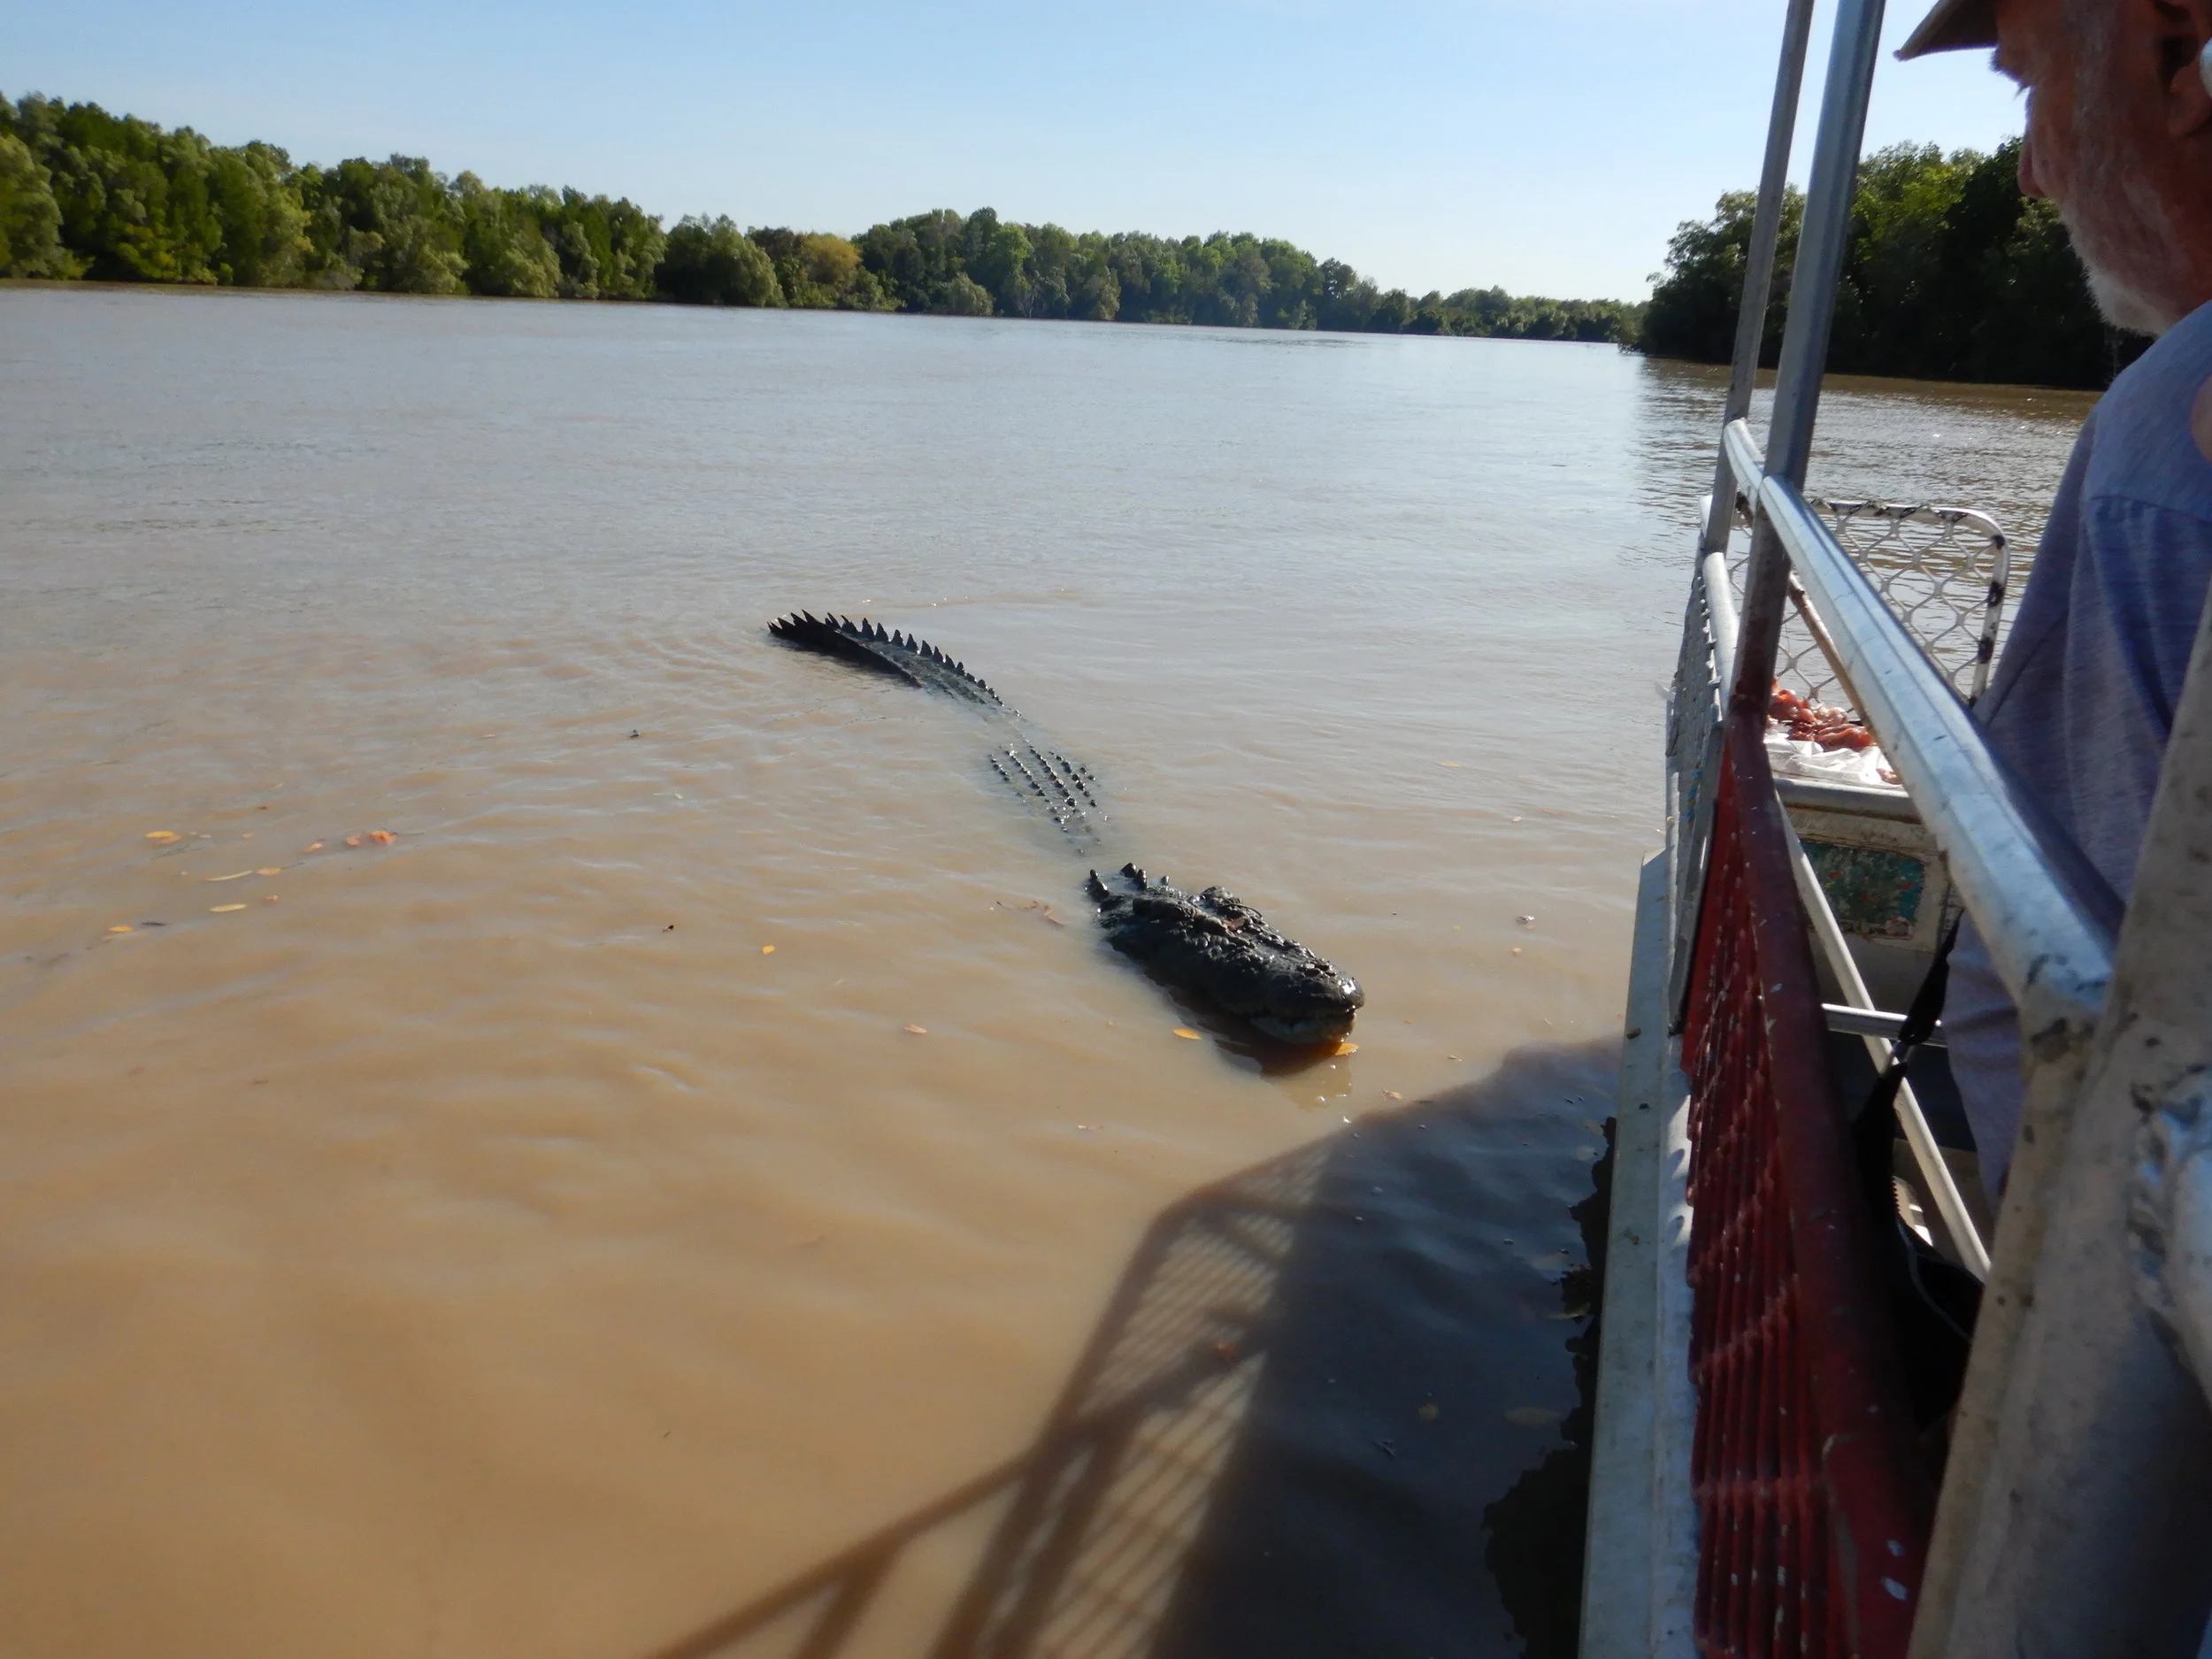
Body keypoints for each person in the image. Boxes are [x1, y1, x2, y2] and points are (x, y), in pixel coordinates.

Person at [1898, 0, 2212, 1199]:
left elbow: (2136, 1002)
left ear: (2181, 53)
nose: (2032, 177)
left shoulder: (2164, 446)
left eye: (2028, 88)